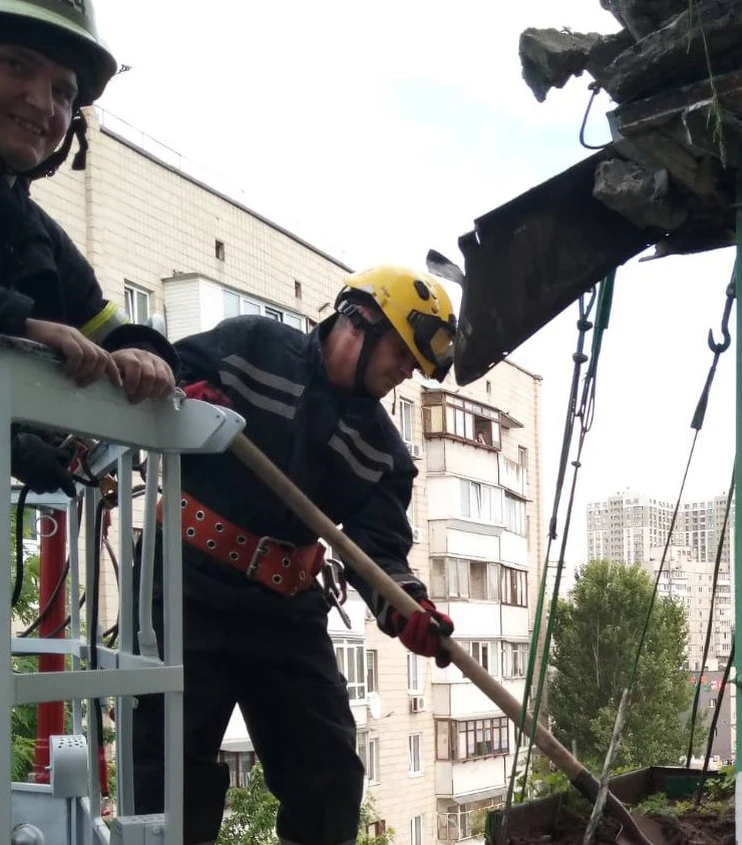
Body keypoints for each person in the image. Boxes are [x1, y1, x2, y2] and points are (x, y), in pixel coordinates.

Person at [131, 265, 460, 845]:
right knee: (170, 782)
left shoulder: (383, 454)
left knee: (329, 779)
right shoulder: (250, 347)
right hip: (184, 590)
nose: (406, 371)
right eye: (403, 353)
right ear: (358, 320)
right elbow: (162, 378)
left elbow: (377, 551)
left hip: (282, 610)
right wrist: (181, 399)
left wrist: (407, 606)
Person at [0, 0, 179, 494]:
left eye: (63, 92)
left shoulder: (35, 234)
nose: (41, 103)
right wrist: (23, 327)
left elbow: (102, 325)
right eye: (17, 64)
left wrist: (142, 355)